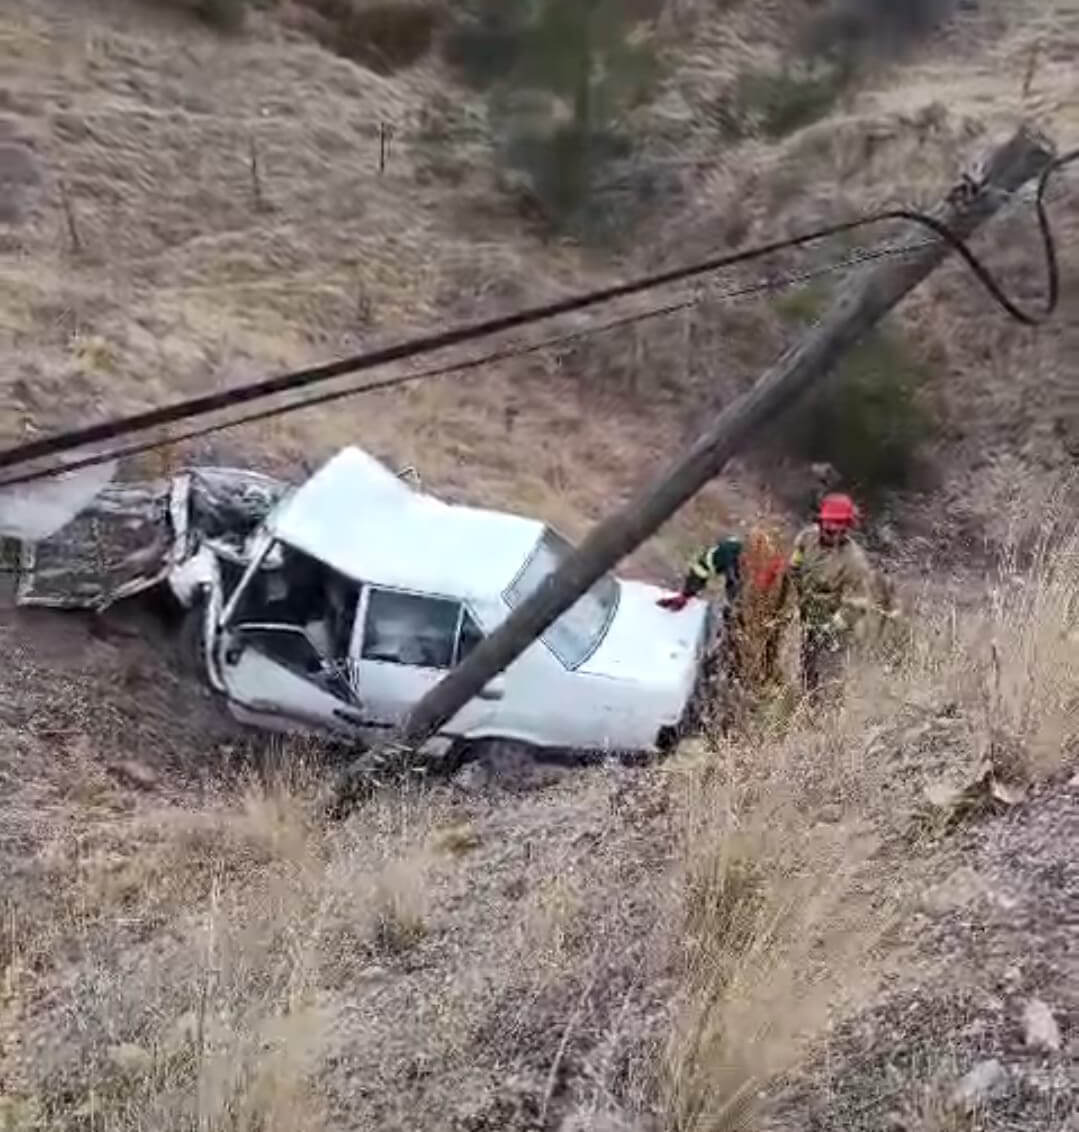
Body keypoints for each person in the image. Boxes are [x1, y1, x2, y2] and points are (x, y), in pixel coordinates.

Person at [782, 492, 876, 695]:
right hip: (808, 621)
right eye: (829, 525)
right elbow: (794, 568)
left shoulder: (854, 561)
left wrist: (830, 628)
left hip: (834, 630)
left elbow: (858, 604)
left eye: (839, 526)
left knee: (827, 686)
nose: (832, 531)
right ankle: (805, 715)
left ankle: (826, 720)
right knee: (807, 678)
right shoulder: (807, 538)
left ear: (847, 527)